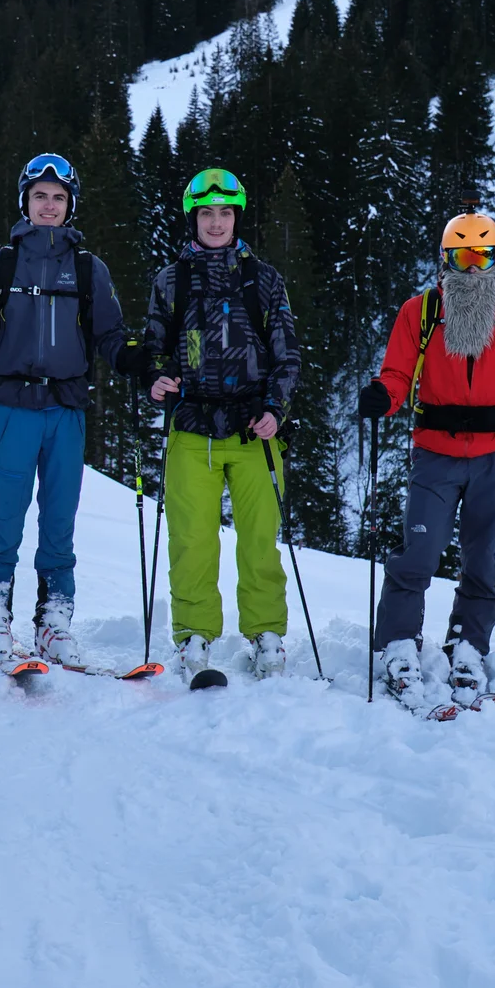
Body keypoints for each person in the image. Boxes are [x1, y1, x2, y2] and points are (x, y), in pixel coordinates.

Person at [0, 153, 149, 666]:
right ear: (25, 202)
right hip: (13, 408)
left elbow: (109, 335)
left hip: (67, 410)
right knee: (4, 519)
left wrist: (131, 357)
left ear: (69, 205)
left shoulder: (87, 268)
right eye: (39, 197)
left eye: (58, 198)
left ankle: (55, 619)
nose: (48, 206)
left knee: (60, 521)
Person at [360, 206, 495, 711]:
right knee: (418, 557)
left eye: (484, 255)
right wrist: (384, 395)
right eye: (463, 255)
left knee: (481, 562)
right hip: (435, 452)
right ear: (446, 259)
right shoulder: (420, 311)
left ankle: (467, 646)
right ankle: (399, 645)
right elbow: (398, 374)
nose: (473, 267)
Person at [144, 168, 301, 677]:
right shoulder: (170, 280)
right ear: (194, 217)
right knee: (192, 540)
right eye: (207, 212)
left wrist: (275, 410)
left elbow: (287, 354)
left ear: (237, 217)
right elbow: (154, 348)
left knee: (260, 539)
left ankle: (267, 634)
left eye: (225, 212)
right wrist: (157, 379)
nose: (216, 222)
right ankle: (194, 636)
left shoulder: (263, 278)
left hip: (253, 429)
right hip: (191, 428)